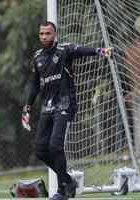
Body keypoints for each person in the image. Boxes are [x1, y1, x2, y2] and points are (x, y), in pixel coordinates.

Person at [21, 21, 112, 200]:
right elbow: (34, 84)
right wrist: (27, 107)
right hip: (47, 106)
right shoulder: (37, 57)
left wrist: (100, 51)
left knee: (55, 146)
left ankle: (63, 190)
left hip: (65, 103)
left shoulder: (65, 50)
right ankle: (67, 180)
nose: (44, 37)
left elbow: (82, 50)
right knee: (40, 150)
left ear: (55, 35)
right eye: (41, 34)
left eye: (48, 33)